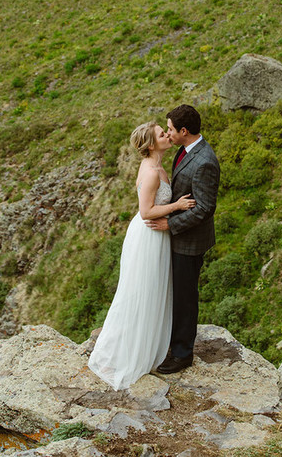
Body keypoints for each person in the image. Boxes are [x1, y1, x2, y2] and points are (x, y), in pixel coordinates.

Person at [88, 121, 196, 390]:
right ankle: (129, 352)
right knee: (141, 291)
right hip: (148, 235)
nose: (167, 135)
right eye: (161, 134)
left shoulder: (158, 166)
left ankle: (146, 344)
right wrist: (177, 206)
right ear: (151, 144)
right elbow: (146, 211)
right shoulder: (150, 172)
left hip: (157, 235)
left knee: (152, 290)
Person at [146, 104, 220, 374]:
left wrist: (170, 223)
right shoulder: (185, 150)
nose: (168, 133)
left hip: (189, 241)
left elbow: (205, 208)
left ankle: (182, 354)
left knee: (185, 297)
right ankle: (170, 342)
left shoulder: (205, 161)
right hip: (177, 236)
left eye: (170, 129)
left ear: (184, 131)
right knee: (173, 293)